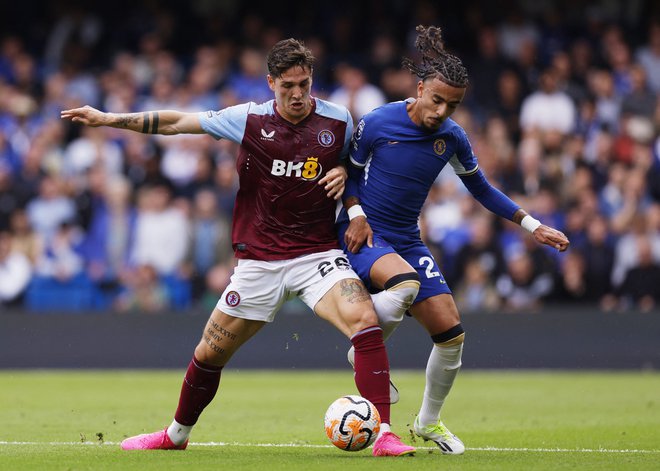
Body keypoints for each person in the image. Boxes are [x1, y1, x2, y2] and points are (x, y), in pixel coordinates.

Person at [61, 38, 414, 457]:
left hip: (316, 253)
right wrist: (109, 118)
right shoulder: (248, 119)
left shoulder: (337, 119)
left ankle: (386, 433)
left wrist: (342, 177)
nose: (298, 94)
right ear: (270, 83)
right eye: (288, 86)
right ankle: (175, 435)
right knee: (209, 353)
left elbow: (356, 170)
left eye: (304, 83)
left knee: (364, 318)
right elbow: (178, 123)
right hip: (259, 260)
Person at [338, 25, 570, 455]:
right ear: (420, 87)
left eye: (453, 105)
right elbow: (349, 171)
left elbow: (481, 189)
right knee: (404, 284)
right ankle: (365, 346)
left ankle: (427, 422)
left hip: (407, 239)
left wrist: (531, 225)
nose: (442, 110)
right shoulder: (379, 120)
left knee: (452, 334)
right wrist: (354, 213)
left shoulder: (452, 137)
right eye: (437, 99)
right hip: (366, 232)